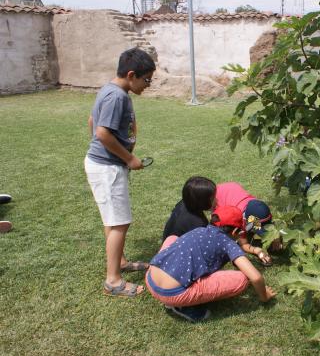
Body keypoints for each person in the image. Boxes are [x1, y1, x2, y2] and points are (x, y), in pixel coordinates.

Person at [84, 47, 156, 297]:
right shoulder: (118, 97)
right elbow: (102, 133)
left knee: (112, 220)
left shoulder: (109, 90)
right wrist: (129, 157)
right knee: (120, 223)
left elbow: (92, 123)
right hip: (107, 168)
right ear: (131, 74)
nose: (148, 85)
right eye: (146, 79)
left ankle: (121, 262)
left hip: (102, 164)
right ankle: (113, 281)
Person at [146, 205, 277, 322]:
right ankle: (185, 307)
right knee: (241, 279)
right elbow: (256, 277)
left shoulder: (199, 230)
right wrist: (264, 296)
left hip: (151, 278)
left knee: (172, 238)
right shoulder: (228, 243)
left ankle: (173, 296)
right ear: (235, 232)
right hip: (172, 293)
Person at [215, 182, 282, 266]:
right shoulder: (239, 220)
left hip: (232, 188)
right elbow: (243, 244)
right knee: (225, 232)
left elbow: (269, 226)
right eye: (256, 225)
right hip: (218, 195)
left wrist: (276, 238)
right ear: (247, 221)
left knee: (250, 229)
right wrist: (257, 251)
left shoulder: (259, 208)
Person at [162, 176, 216, 241]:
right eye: (213, 199)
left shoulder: (185, 203)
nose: (216, 200)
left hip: (168, 243)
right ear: (202, 202)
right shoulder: (198, 225)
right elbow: (207, 244)